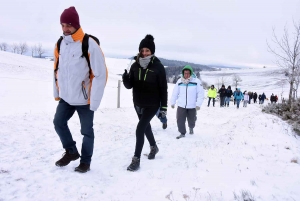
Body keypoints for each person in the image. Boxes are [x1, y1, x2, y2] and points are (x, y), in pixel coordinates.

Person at [53, 7, 107, 173]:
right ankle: (71, 151)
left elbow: (101, 74)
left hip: (85, 99)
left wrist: (94, 100)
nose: (65, 28)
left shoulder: (89, 43)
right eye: (63, 25)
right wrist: (57, 93)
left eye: (69, 24)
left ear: (76, 24)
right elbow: (56, 70)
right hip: (67, 97)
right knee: (58, 122)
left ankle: (85, 162)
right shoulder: (60, 44)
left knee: (86, 132)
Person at [122, 34, 168, 171]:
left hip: (152, 104)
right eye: (142, 50)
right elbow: (130, 85)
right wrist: (125, 79)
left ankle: (136, 160)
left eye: (147, 50)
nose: (144, 53)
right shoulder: (135, 65)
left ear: (152, 51)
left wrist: (163, 107)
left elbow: (163, 89)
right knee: (146, 126)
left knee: (140, 128)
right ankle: (154, 147)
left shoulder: (158, 67)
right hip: (137, 103)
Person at [170, 65, 204, 139]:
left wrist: (198, 104)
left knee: (192, 119)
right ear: (183, 73)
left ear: (191, 73)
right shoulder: (179, 81)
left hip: (192, 106)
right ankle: (182, 132)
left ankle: (191, 127)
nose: (186, 75)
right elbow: (175, 92)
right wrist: (173, 102)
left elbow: (200, 94)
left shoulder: (196, 81)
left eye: (188, 73)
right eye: (185, 73)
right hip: (181, 105)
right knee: (179, 119)